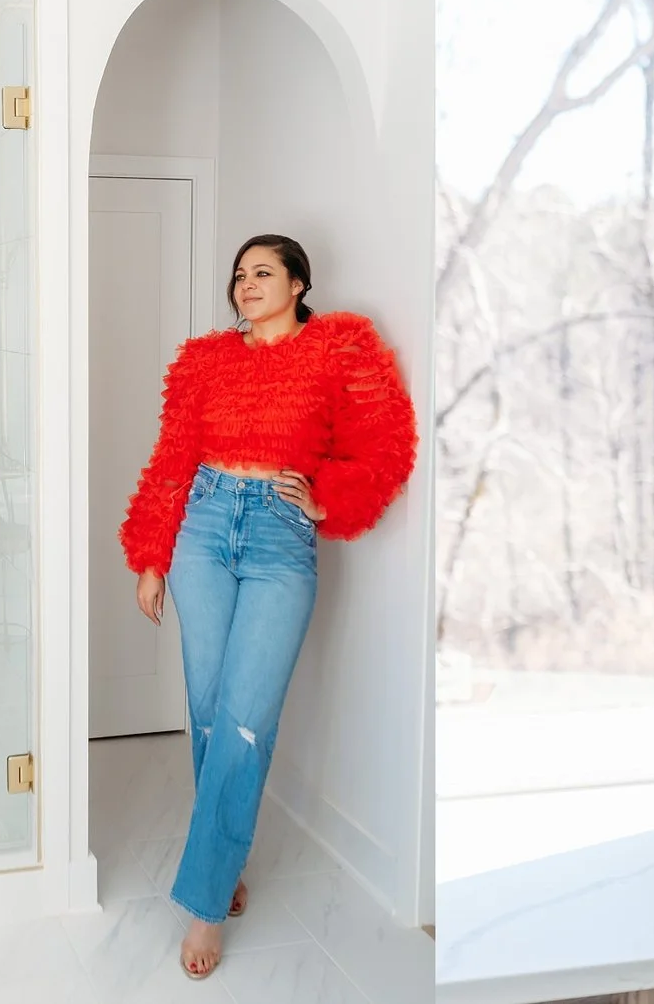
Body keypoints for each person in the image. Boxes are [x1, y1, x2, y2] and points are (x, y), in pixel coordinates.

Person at [119, 233, 419, 979]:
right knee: (211, 708)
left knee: (246, 718)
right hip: (204, 524)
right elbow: (169, 459)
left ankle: (205, 902)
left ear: (297, 284)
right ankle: (223, 867)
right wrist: (152, 556)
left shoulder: (340, 351)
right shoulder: (203, 361)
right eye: (239, 275)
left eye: (262, 273)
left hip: (282, 538)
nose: (245, 285)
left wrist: (323, 502)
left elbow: (385, 446)